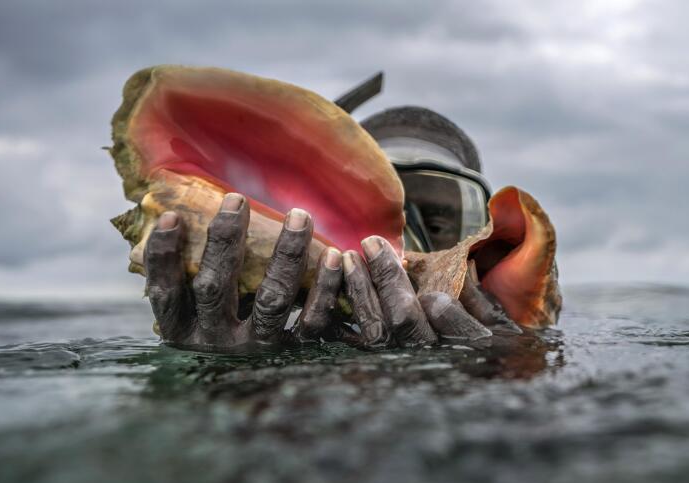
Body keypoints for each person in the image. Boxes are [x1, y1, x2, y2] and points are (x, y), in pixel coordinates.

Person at [144, 74, 520, 352]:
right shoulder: (281, 335)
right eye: (383, 214)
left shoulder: (507, 344)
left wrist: (499, 363)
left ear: (480, 247)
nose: (401, 247)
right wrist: (219, 373)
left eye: (434, 223)